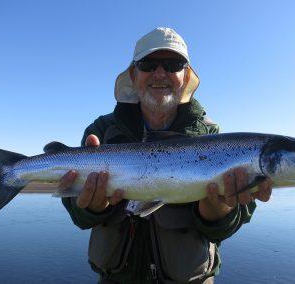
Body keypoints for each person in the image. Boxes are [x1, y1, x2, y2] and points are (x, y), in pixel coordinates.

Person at [60, 27, 272, 284]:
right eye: (148, 64)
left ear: (185, 75)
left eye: (173, 64)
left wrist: (218, 211)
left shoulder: (212, 135)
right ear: (133, 74)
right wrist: (92, 208)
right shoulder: (101, 132)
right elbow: (78, 216)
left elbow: (225, 227)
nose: (160, 73)